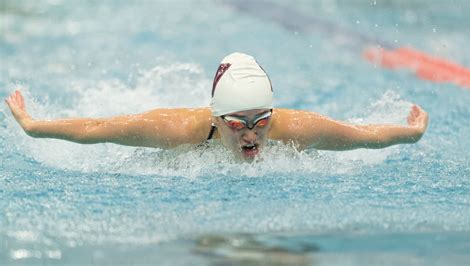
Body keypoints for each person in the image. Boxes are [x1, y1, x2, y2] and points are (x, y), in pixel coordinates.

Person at [4, 53, 428, 161]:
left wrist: (411, 133)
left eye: (261, 120)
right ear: (215, 119)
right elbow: (100, 127)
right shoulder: (179, 129)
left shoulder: (294, 128)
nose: (251, 133)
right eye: (237, 123)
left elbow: (361, 136)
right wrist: (34, 126)